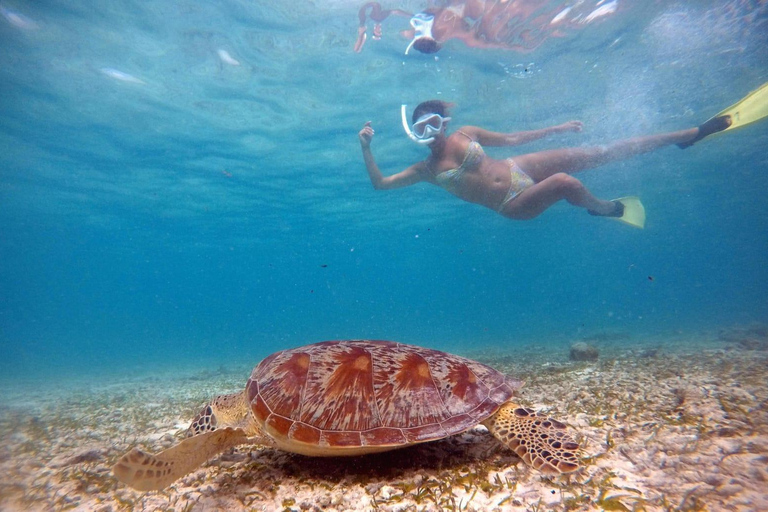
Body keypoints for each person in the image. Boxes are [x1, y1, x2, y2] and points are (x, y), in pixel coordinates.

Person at [358, 100, 735, 228]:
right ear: (416, 133)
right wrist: (366, 148)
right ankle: (605, 210)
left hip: (518, 166)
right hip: (511, 205)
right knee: (566, 183)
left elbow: (512, 140)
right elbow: (380, 184)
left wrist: (558, 127)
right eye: (424, 127)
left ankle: (688, 135)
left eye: (437, 122)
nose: (433, 132)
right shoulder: (424, 171)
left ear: (446, 121)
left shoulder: (465, 133)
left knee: (601, 151)